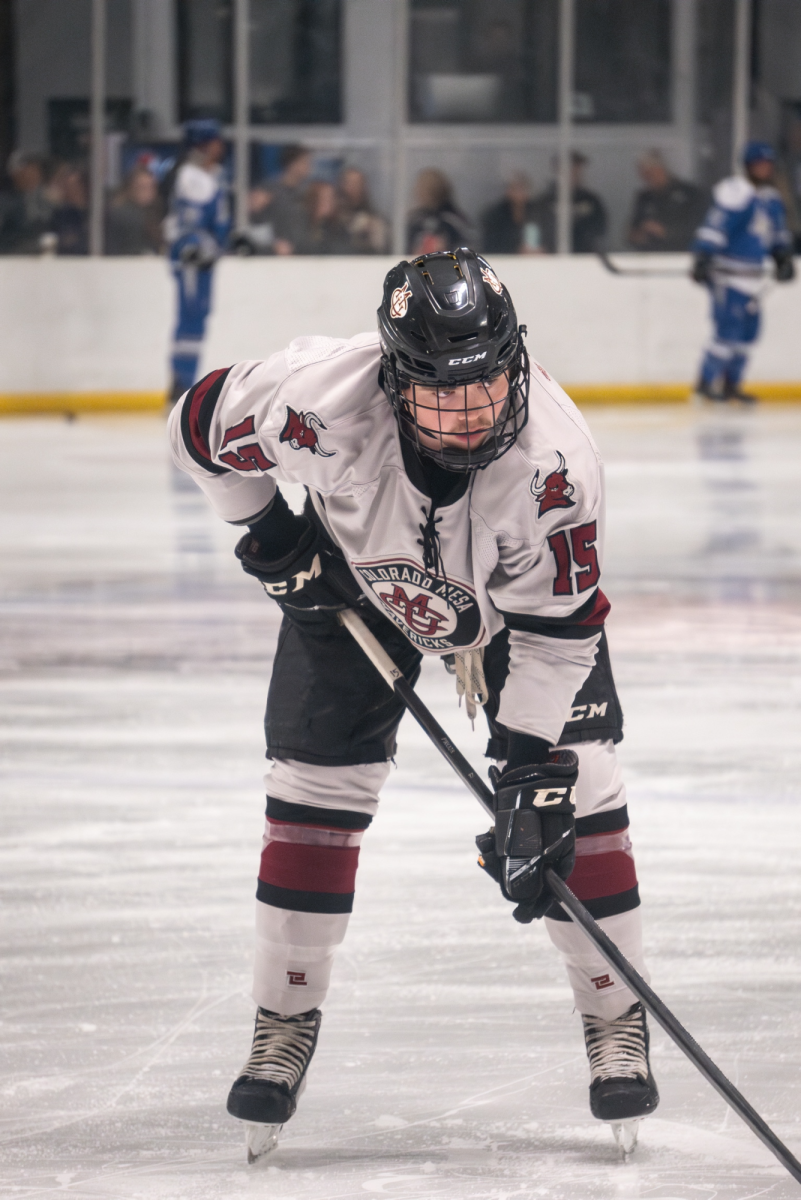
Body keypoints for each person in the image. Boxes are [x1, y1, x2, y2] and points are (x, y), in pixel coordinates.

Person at [168, 248, 659, 1160]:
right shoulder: (316, 398)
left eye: (486, 385)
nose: (471, 414)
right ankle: (284, 1016)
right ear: (394, 381)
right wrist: (271, 533)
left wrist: (525, 765)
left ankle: (612, 1013)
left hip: (516, 613)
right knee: (313, 790)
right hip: (349, 584)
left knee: (577, 789)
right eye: (441, 393)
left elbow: (557, 630)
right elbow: (196, 429)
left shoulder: (556, 463)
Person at [691, 141, 795, 403]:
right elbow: (716, 225)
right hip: (729, 276)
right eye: (759, 164)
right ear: (748, 166)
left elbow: (776, 234)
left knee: (748, 336)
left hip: (753, 279)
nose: (764, 169)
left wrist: (783, 257)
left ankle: (731, 385)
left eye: (768, 165)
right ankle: (705, 384)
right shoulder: (737, 193)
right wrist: (703, 255)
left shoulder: (770, 199)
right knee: (726, 332)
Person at [165, 119, 231, 401]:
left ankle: (184, 381)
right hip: (193, 259)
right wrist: (197, 247)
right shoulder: (191, 177)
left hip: (205, 258)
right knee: (190, 318)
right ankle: (181, 381)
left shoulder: (211, 174)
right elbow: (188, 225)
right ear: (203, 145)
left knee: (199, 317)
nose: (220, 146)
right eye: (215, 141)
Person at [627, 150, 706, 252]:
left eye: (650, 172)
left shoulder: (690, 194)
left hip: (682, 257)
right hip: (650, 258)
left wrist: (665, 232)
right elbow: (631, 233)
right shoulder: (644, 198)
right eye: (643, 174)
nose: (647, 178)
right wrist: (638, 235)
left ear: (661, 169)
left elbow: (698, 229)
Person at [534, 153, 607, 253]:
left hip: (585, 260)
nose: (574, 172)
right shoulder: (544, 201)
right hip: (551, 260)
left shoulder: (591, 201)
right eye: (570, 169)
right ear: (558, 170)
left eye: (577, 169)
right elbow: (533, 228)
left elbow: (600, 232)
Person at [407, 168, 475, 254]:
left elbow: (469, 246)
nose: (420, 192)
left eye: (429, 188)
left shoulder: (454, 221)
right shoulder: (415, 221)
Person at [0, 151, 54, 254]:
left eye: (37, 169)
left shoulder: (46, 202)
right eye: (31, 169)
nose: (36, 174)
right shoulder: (5, 202)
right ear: (16, 173)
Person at [105, 165, 164, 255]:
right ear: (131, 188)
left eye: (150, 187)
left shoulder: (153, 212)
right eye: (142, 187)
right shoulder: (123, 214)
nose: (147, 192)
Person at [481, 172, 544, 255]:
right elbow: (491, 246)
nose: (519, 193)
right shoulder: (494, 217)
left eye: (522, 188)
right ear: (508, 191)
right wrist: (516, 250)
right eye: (515, 188)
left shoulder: (539, 213)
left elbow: (551, 241)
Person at [268, 144, 313, 255]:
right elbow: (258, 227)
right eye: (305, 162)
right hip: (276, 256)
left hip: (304, 255)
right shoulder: (269, 192)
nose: (309, 167)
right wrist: (273, 244)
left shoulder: (309, 192)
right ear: (292, 164)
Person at [337, 167, 388, 254]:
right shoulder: (333, 216)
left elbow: (381, 249)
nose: (354, 187)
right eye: (350, 183)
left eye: (357, 183)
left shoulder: (374, 219)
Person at [294, 180, 351, 255]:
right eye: (324, 198)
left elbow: (344, 249)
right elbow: (299, 247)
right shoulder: (299, 223)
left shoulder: (339, 226)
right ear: (313, 200)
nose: (329, 202)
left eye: (331, 198)